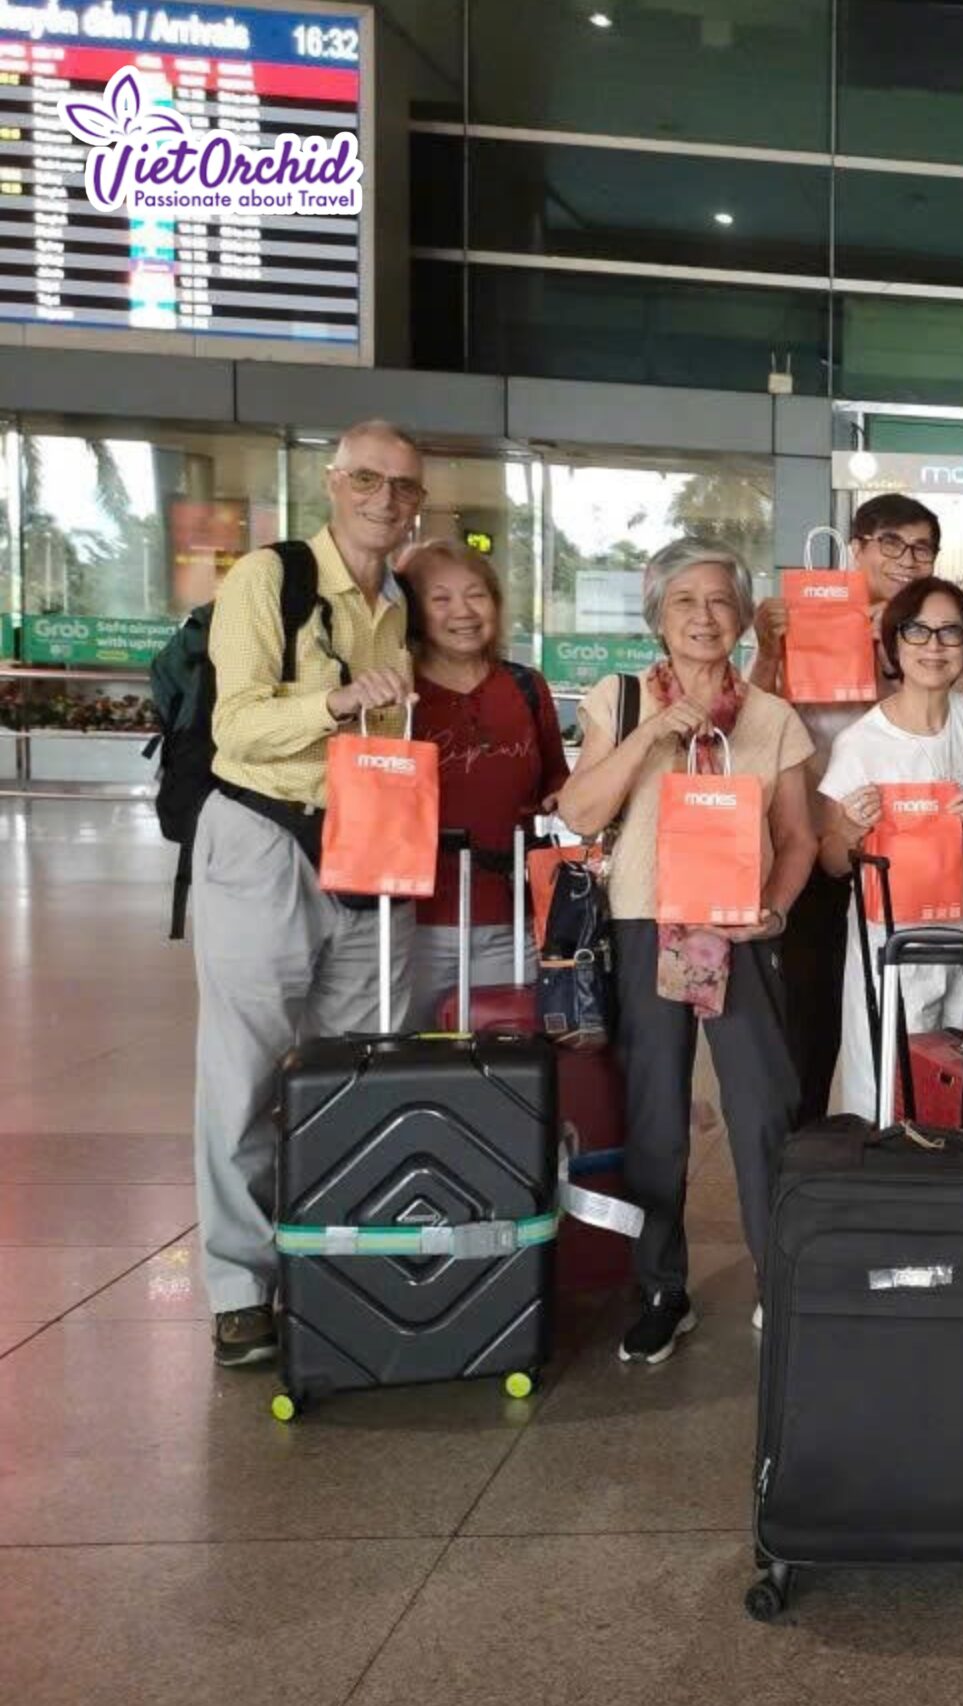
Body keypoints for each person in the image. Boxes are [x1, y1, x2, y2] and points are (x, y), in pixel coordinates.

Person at [189, 419, 424, 1369]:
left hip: (363, 844)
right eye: (367, 479)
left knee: (351, 1067)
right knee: (245, 1069)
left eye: (403, 487)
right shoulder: (269, 578)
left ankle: (330, 1259)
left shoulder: (398, 603)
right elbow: (235, 726)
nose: (384, 500)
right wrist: (334, 702)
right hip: (262, 835)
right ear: (333, 482)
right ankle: (241, 1287)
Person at [556, 537, 818, 1364]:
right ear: (657, 617)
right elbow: (580, 812)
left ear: (741, 617)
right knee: (656, 1113)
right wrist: (649, 737)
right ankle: (661, 1288)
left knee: (763, 1107)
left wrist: (774, 914)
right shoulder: (621, 698)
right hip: (644, 922)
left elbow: (799, 839)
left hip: (738, 927)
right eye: (684, 601)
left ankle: (780, 1278)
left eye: (719, 601)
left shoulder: (772, 717)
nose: (704, 617)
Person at [749, 492, 941, 1125]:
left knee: (898, 1015)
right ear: (855, 547)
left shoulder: (928, 633)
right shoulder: (803, 618)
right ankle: (799, 1151)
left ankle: (898, 1140)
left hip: (902, 854)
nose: (907, 559)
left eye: (922, 548)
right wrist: (770, 651)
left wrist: (896, 649)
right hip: (811, 847)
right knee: (807, 1018)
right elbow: (749, 722)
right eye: (891, 543)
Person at [815, 577, 963, 1118]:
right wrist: (853, 828)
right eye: (917, 631)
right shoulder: (861, 743)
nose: (934, 646)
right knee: (890, 1087)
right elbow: (831, 860)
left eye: (950, 632)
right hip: (891, 942)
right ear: (895, 643)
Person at [399, 539, 568, 1027]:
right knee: (410, 1050)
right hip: (415, 922)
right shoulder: (398, 691)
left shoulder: (526, 686)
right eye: (441, 599)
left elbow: (555, 777)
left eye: (476, 595)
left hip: (511, 919)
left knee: (505, 1047)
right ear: (414, 613)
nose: (463, 612)